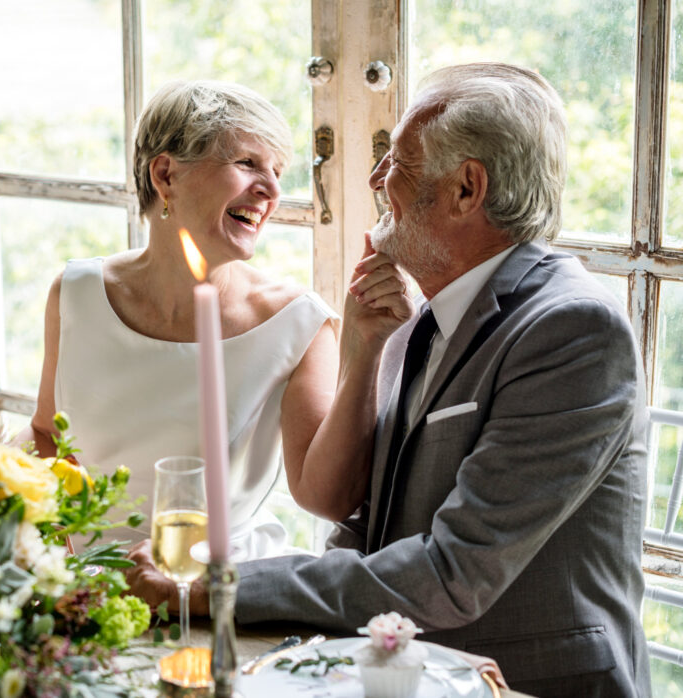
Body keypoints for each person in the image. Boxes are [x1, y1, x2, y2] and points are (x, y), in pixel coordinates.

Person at [127, 63, 651, 697]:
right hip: (399, 674)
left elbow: (454, 570)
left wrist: (221, 586)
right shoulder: (415, 321)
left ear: (466, 188)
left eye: (396, 160)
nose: (376, 180)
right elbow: (366, 525)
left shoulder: (571, 331)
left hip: (525, 685)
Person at [28, 80, 344, 559]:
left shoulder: (298, 324)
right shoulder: (75, 293)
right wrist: (52, 547)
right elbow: (47, 436)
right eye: (247, 163)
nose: (273, 190)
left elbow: (324, 496)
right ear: (166, 175)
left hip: (223, 590)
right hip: (86, 582)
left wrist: (367, 346)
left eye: (277, 171)